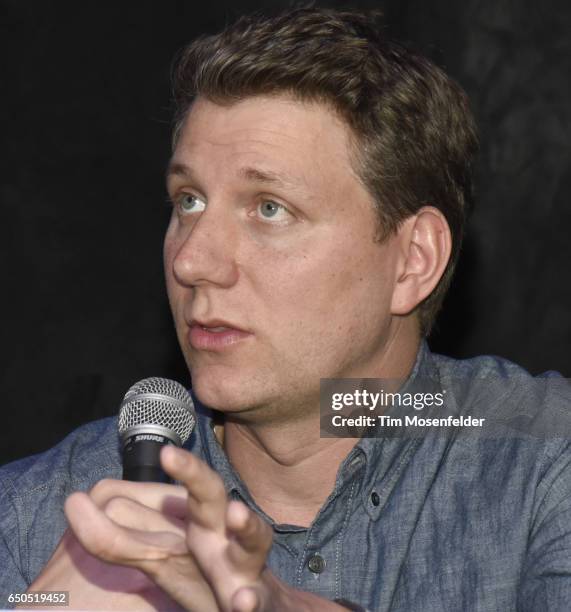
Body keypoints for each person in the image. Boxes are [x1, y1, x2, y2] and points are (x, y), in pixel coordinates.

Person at [1, 7, 570, 611]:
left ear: (412, 261)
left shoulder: (540, 461)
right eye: (189, 200)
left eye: (269, 208)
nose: (193, 261)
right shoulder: (36, 514)